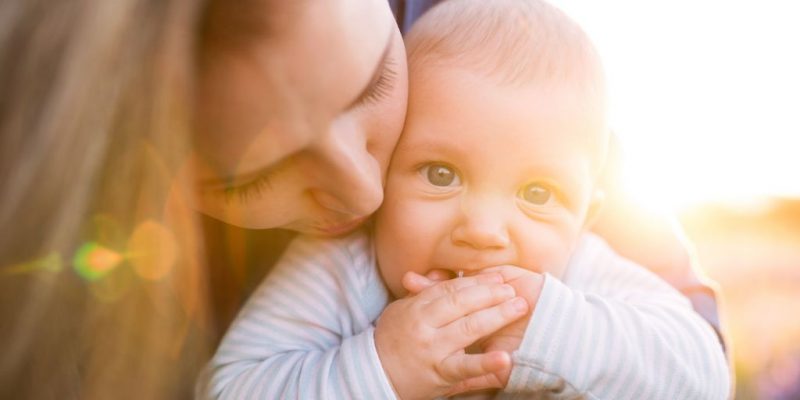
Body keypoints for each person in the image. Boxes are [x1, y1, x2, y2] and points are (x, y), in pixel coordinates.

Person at [201, 1, 730, 399]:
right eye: (440, 173)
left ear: (587, 216)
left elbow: (704, 375)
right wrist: (381, 367)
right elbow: (228, 389)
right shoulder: (340, 270)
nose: (482, 229)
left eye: (537, 193)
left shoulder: (582, 273)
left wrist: (552, 329)